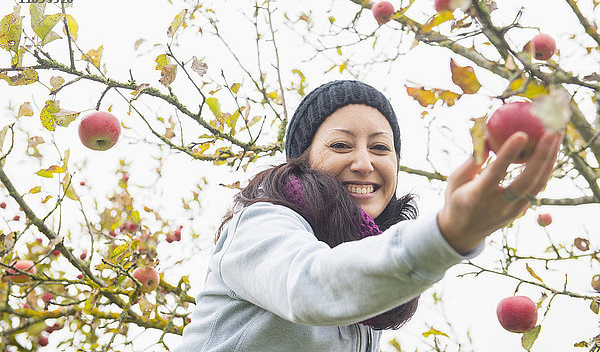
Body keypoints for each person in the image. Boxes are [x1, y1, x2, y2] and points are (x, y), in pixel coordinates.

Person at [174, 79, 562, 352]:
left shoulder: (369, 267)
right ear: (303, 161)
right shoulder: (259, 224)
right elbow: (310, 288)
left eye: (380, 148)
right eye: (341, 144)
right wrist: (448, 234)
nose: (363, 163)